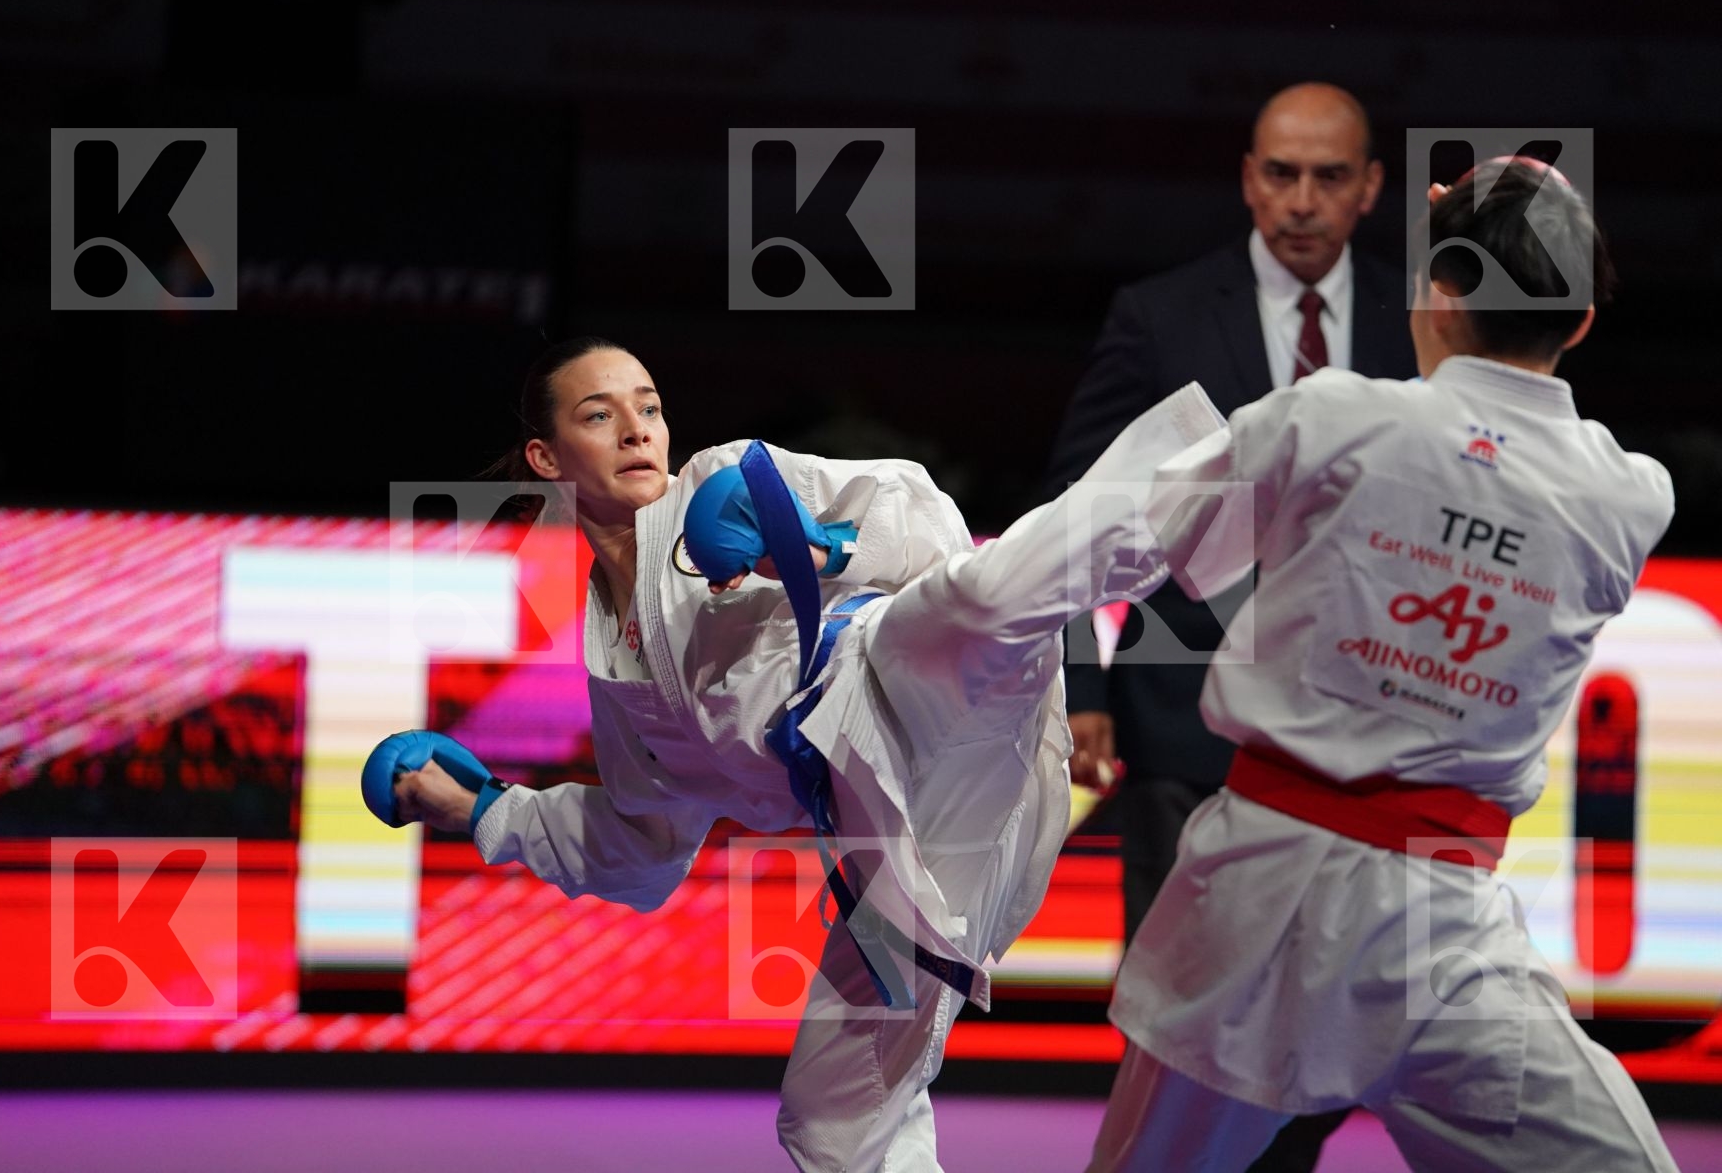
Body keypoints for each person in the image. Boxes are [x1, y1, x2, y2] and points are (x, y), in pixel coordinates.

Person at [374, 335, 1230, 1172]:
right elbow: (639, 846)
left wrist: (819, 544)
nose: (638, 430)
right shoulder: (614, 671)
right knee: (832, 1122)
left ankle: (1239, 464)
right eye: (600, 416)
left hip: (899, 675)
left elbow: (917, 509)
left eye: (650, 408)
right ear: (548, 457)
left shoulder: (724, 480)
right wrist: (481, 808)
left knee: (992, 588)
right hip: (900, 838)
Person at [1084, 160, 1681, 1171]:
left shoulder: (1329, 417)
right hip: (1444, 927)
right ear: (1578, 320)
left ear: (1436, 296)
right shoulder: (1633, 496)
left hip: (1257, 899)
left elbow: (1167, 549)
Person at [1044, 81, 1411, 1169]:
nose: (1301, 200)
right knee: (1180, 1024)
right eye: (1280, 173)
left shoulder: (1422, 322)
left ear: (1370, 190)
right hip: (1183, 724)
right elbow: (1073, 513)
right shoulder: (1157, 314)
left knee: (1322, 1022)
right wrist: (1086, 688)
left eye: (1328, 177)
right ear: (1249, 178)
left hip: (1361, 739)